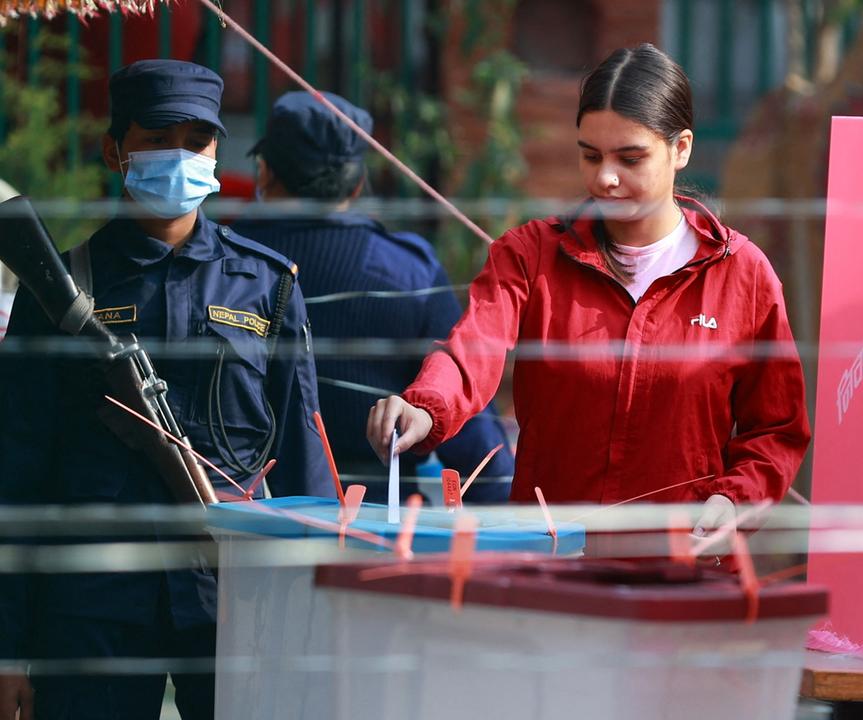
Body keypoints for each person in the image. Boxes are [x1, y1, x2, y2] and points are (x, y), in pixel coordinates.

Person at [366, 44, 811, 537]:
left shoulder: (740, 273)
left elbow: (776, 428)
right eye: (590, 155)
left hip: (683, 566)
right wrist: (426, 405)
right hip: (551, 562)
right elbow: (473, 348)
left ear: (681, 148)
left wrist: (734, 499)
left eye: (630, 158)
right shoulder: (530, 254)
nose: (606, 177)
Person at [0, 59, 332, 720]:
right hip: (90, 605)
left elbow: (301, 452)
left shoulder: (267, 285)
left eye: (196, 140)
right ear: (115, 149)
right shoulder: (61, 293)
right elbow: (15, 473)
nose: (178, 156)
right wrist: (9, 652)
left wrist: (315, 622)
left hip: (232, 602)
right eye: (157, 138)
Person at [233, 91, 515, 504]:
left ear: (264, 172)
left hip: (253, 520)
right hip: (378, 526)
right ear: (358, 181)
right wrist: (498, 510)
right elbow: (471, 435)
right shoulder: (408, 271)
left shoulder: (228, 262)